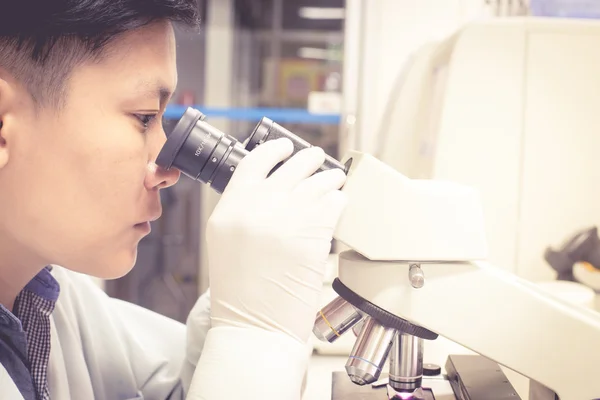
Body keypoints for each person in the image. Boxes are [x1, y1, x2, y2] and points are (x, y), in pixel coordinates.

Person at [0, 1, 348, 399]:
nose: (169, 169)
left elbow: (170, 385)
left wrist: (240, 304)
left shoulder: (45, 297)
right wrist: (255, 335)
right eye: (145, 117)